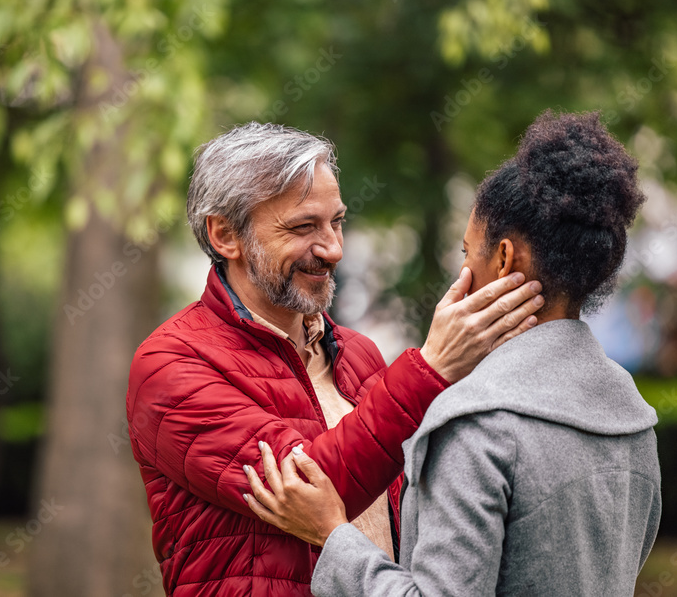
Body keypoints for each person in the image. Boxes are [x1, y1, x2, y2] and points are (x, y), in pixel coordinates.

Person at [242, 111, 662, 596]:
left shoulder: (477, 423)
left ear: (504, 259)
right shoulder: (633, 418)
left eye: (468, 253)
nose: (462, 268)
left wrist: (332, 536)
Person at [126, 122, 544, 596]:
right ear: (225, 235)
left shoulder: (361, 355)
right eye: (303, 227)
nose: (333, 249)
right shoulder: (172, 364)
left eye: (337, 222)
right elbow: (310, 491)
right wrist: (432, 367)